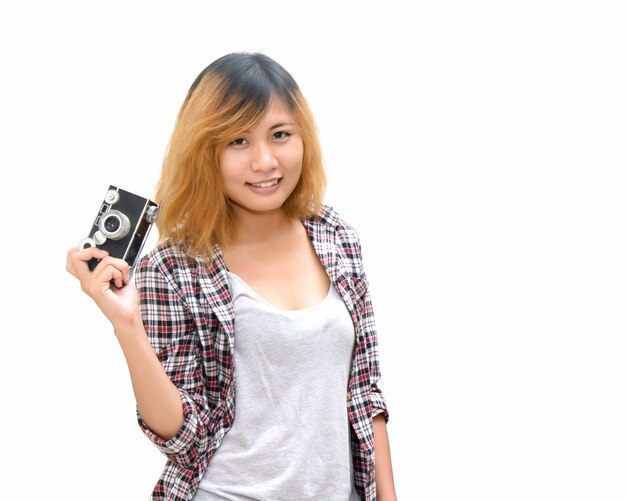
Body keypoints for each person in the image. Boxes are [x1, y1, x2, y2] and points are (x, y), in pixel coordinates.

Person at [66, 52, 396, 501]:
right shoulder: (173, 267)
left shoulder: (336, 237)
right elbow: (183, 439)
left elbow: (364, 392)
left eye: (280, 135)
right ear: (206, 151)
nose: (265, 161)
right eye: (238, 141)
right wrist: (127, 325)